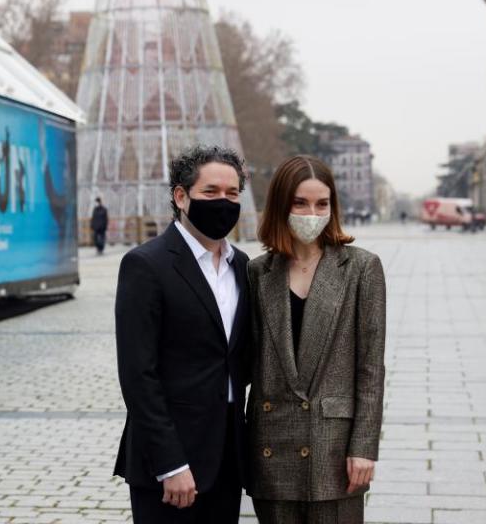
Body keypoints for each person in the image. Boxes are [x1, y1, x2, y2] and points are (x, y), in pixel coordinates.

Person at [114, 145, 251, 523]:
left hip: (226, 457)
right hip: (169, 463)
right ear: (181, 196)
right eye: (210, 193)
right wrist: (170, 463)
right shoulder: (146, 265)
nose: (223, 202)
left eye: (232, 194)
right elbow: (138, 374)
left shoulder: (242, 266)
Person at [246, 155, 386, 524]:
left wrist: (364, 446)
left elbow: (370, 368)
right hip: (271, 446)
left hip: (334, 450)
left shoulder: (361, 268)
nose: (312, 213)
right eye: (300, 203)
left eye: (321, 203)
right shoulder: (259, 272)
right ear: (281, 206)